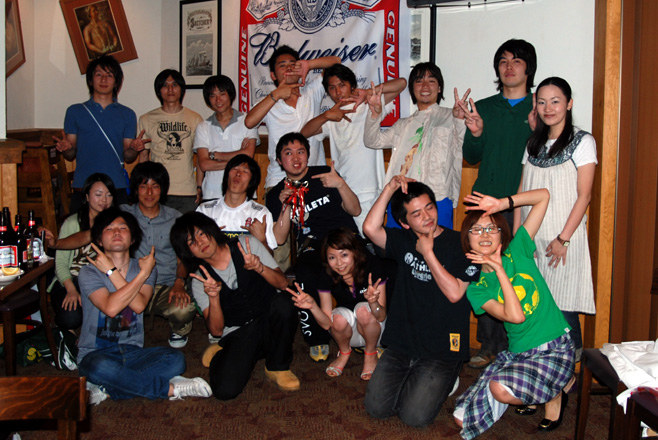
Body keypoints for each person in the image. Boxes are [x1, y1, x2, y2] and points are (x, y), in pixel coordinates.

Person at [454, 189, 575, 438]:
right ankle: (536, 388)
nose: (484, 234)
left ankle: (554, 392)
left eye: (492, 228)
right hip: (519, 355)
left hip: (554, 348)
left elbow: (543, 197)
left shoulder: (518, 248)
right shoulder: (477, 288)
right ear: (467, 239)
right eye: (476, 230)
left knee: (499, 389)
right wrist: (497, 271)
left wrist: (502, 203)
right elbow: (514, 316)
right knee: (461, 418)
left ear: (502, 235)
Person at [362, 176, 480, 427]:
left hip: (442, 348)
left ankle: (447, 379)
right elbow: (370, 229)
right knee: (376, 408)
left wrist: (428, 253)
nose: (427, 216)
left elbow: (455, 293)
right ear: (405, 223)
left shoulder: (461, 244)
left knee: (414, 417)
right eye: (416, 214)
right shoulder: (403, 240)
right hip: (403, 342)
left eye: (429, 207)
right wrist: (390, 188)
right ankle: (418, 378)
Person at [77, 207, 212, 402]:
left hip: (132, 352)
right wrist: (120, 272)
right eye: (109, 228)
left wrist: (140, 272)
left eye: (123, 228)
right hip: (95, 354)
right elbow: (110, 308)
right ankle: (169, 389)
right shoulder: (88, 272)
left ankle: (108, 387)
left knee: (176, 360)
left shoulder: (144, 267)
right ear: (99, 240)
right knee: (99, 367)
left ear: (133, 238)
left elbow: (139, 305)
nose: (116, 232)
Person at [459, 39, 538, 369]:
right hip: (484, 203)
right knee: (485, 273)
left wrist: (538, 130)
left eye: (517, 61)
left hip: (522, 204)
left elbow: (548, 152)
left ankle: (515, 346)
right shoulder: (485, 107)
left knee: (517, 274)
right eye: (503, 61)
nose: (509, 67)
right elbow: (471, 156)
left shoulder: (539, 107)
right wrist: (475, 132)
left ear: (528, 68)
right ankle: (487, 345)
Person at [170, 212, 299, 399]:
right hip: (239, 334)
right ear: (188, 252)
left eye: (201, 234)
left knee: (284, 303)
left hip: (269, 323)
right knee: (225, 390)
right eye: (191, 242)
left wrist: (260, 268)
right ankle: (222, 351)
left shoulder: (247, 244)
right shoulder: (200, 279)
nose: (200, 242)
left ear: (211, 229)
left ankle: (277, 366)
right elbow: (216, 330)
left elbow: (283, 283)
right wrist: (213, 297)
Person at [515, 77, 597, 362]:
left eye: (555, 101)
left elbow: (584, 196)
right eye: (542, 102)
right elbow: (521, 194)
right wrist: (519, 241)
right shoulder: (532, 143)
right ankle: (540, 366)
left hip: (562, 240)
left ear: (569, 103)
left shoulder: (583, 141)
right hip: (532, 241)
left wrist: (563, 239)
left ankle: (569, 368)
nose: (548, 108)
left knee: (562, 308)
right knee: (534, 305)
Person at [266, 132, 361, 363]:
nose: (296, 158)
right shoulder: (276, 194)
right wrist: (285, 206)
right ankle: (317, 337)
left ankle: (360, 332)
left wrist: (340, 184)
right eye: (288, 153)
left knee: (364, 268)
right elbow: (279, 239)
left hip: (343, 239)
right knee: (305, 273)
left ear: (308, 155)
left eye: (301, 152)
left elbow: (355, 210)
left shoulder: (325, 175)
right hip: (312, 245)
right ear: (279, 160)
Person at [301, 64, 407, 233]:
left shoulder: (368, 104)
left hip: (368, 189)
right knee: (346, 242)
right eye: (332, 88)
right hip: (341, 189)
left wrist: (368, 92)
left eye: (342, 85)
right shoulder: (332, 115)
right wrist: (325, 115)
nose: (338, 92)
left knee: (368, 238)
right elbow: (303, 133)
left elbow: (401, 84)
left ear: (352, 86)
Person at [364, 62, 470, 229]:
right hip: (401, 198)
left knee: (438, 245)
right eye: (419, 81)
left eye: (431, 80)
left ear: (439, 88)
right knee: (397, 244)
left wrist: (459, 119)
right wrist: (375, 114)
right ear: (412, 89)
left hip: (437, 199)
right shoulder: (403, 124)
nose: (425, 86)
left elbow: (464, 144)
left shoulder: (452, 116)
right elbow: (372, 141)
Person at [289, 227, 387, 380]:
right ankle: (344, 352)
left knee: (363, 310)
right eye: (332, 257)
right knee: (338, 318)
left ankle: (371, 353)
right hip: (349, 334)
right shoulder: (327, 274)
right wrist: (313, 306)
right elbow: (327, 324)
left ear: (355, 252)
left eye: (344, 255)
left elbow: (381, 316)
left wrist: (373, 302)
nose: (339, 263)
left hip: (376, 330)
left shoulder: (372, 266)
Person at [120, 162, 197, 348]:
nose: (149, 192)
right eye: (143, 186)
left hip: (166, 286)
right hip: (131, 285)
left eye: (155, 186)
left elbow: (183, 259)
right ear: (135, 189)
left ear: (162, 190)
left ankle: (179, 328)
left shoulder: (176, 218)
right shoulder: (123, 215)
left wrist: (179, 282)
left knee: (184, 309)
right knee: (116, 324)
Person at [244, 45, 341, 190]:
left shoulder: (311, 92)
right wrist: (276, 94)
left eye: (293, 64)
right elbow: (249, 122)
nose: (289, 68)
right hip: (279, 180)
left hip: (314, 177)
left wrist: (309, 64)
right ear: (273, 75)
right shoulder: (269, 102)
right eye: (282, 65)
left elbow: (336, 61)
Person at [54, 55, 140, 213]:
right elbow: (70, 155)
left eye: (109, 75)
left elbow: (129, 156)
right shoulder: (75, 111)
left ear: (116, 82)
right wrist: (66, 148)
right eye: (99, 74)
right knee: (79, 228)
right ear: (90, 80)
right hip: (83, 186)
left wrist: (134, 148)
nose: (104, 79)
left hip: (115, 188)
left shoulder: (127, 114)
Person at [48, 173, 116, 331]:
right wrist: (71, 289)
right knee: (70, 317)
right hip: (70, 279)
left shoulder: (115, 224)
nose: (104, 200)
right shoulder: (72, 223)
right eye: (98, 194)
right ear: (86, 196)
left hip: (101, 280)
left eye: (108, 195)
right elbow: (61, 263)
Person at [135, 69, 204, 213]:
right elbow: (143, 157)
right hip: (157, 191)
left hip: (187, 191)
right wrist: (141, 187)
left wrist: (199, 186)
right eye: (165, 85)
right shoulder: (146, 119)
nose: (170, 89)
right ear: (158, 90)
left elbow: (200, 158)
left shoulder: (195, 119)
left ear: (182, 89)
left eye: (175, 85)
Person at [194, 75, 258, 202]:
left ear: (230, 95)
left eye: (222, 94)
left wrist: (216, 155)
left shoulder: (247, 121)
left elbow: (248, 155)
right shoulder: (203, 126)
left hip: (243, 191)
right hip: (212, 192)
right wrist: (238, 161)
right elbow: (204, 164)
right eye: (212, 96)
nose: (218, 100)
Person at [197, 154, 277, 252]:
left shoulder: (260, 213)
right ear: (226, 175)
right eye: (235, 169)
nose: (238, 173)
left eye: (245, 171)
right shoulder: (205, 210)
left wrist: (262, 240)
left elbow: (270, 257)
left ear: (252, 181)